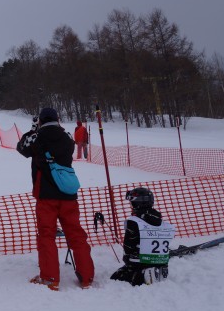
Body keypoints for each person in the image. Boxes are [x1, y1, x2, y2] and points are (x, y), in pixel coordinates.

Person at [16, 108, 95, 291]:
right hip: (68, 194)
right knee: (76, 234)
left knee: (46, 235)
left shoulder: (37, 137)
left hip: (46, 195)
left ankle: (50, 277)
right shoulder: (67, 136)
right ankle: (87, 276)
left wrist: (34, 130)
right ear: (58, 119)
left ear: (41, 121)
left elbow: (22, 147)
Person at [111, 187, 175, 286]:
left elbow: (128, 248)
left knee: (115, 278)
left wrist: (128, 260)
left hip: (138, 265)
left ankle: (143, 275)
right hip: (161, 263)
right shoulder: (164, 224)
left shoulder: (134, 222)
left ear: (137, 203)